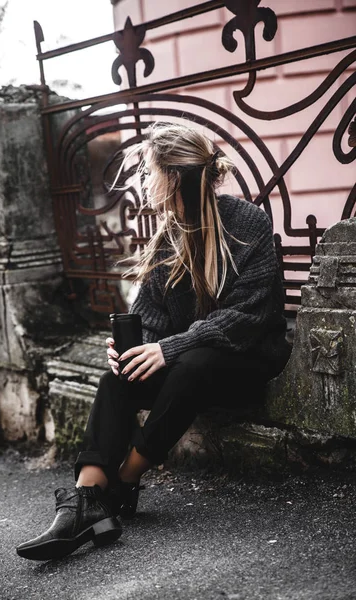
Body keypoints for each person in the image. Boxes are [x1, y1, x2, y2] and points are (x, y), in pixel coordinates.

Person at [16, 121, 292, 561]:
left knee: (193, 363)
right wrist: (133, 348)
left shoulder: (246, 223)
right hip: (189, 365)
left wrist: (169, 348)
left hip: (247, 360)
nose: (144, 182)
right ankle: (84, 502)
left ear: (175, 176)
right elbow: (151, 316)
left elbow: (248, 317)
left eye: (149, 172)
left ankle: (126, 479)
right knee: (118, 379)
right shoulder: (168, 235)